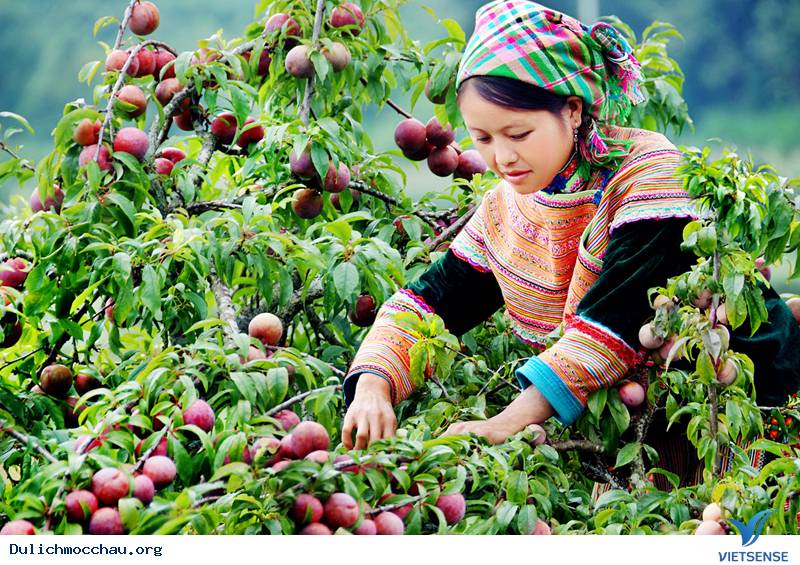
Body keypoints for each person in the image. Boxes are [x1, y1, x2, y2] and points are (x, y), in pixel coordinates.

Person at [340, 0, 800, 476]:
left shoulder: (650, 178)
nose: (502, 157)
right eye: (483, 138)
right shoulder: (506, 207)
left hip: (752, 410)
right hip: (642, 437)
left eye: (518, 133)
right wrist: (373, 384)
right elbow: (431, 302)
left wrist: (506, 422)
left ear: (573, 110)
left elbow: (613, 323)